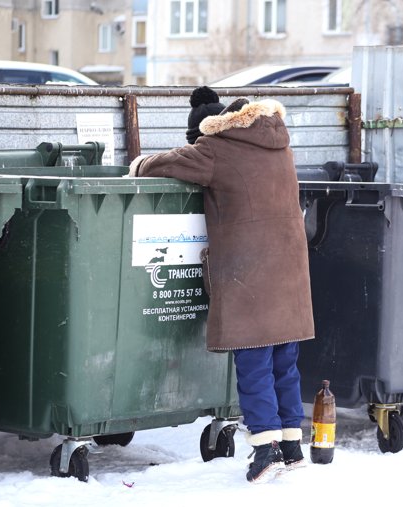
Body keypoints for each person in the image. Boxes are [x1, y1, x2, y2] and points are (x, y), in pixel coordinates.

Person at [128, 86, 315, 484]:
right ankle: (292, 445)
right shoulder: (279, 144)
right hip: (289, 268)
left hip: (250, 272)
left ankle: (266, 452)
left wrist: (139, 163)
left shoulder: (217, 149)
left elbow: (163, 165)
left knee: (253, 364)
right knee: (284, 359)